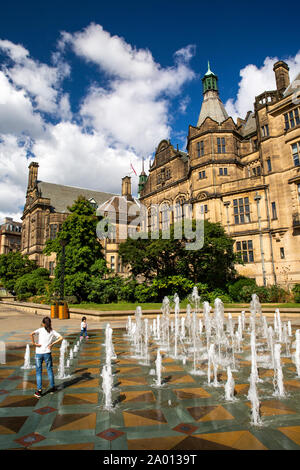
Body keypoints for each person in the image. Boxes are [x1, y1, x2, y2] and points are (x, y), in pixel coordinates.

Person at [30, 316, 63, 398]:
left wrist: (34, 343)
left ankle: (39, 391)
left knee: (38, 372)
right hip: (47, 353)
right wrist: (52, 344)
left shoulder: (40, 330)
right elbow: (61, 337)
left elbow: (31, 334)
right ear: (50, 323)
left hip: (39, 353)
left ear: (43, 324)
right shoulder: (52, 331)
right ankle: (52, 388)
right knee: (49, 370)